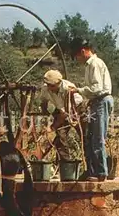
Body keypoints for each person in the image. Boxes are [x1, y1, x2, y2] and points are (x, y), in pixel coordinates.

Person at [69, 38, 113, 182]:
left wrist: (78, 90)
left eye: (77, 56)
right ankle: (93, 171)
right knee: (91, 137)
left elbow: (97, 88)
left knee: (98, 137)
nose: (77, 59)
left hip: (101, 100)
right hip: (96, 102)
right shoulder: (89, 65)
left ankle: (101, 173)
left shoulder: (94, 64)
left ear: (82, 51)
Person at [39, 69, 84, 161]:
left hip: (77, 108)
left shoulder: (68, 88)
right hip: (61, 109)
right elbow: (43, 100)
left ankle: (89, 164)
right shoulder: (45, 88)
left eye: (52, 85)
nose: (49, 87)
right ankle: (64, 163)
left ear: (59, 82)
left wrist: (52, 127)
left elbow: (65, 114)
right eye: (47, 85)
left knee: (84, 135)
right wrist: (45, 111)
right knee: (61, 136)